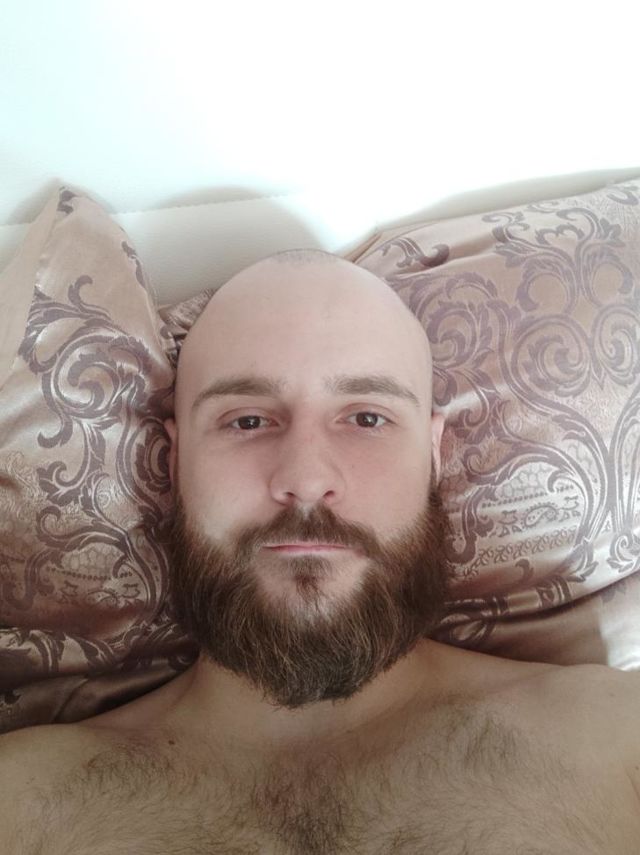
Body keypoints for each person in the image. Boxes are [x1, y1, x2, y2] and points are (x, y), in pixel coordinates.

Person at [1, 249, 638, 854]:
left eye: (367, 418)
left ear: (433, 456)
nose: (306, 479)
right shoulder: (24, 803)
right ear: (174, 463)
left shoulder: (615, 741)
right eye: (247, 420)